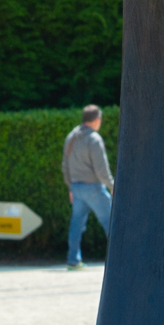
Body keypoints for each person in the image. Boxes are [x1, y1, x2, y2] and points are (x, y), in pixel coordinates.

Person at [62, 105, 114, 269]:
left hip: (77, 188)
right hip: (94, 188)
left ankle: (73, 260)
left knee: (76, 224)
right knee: (112, 222)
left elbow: (65, 165)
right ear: (97, 119)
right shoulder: (94, 139)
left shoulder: (71, 137)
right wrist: (112, 186)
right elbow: (101, 170)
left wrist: (70, 186)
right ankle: (119, 259)